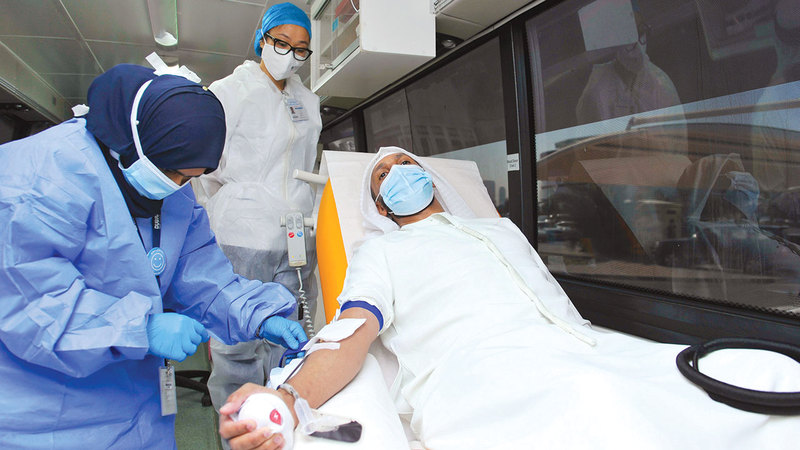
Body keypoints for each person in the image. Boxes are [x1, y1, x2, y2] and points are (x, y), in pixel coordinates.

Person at [219, 148, 800, 449]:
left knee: (755, 371)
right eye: (382, 177)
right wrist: (289, 395)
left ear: (427, 176)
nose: (397, 173)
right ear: (381, 206)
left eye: (405, 164)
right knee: (594, 403)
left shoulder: (499, 230)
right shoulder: (382, 252)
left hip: (584, 347)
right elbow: (350, 335)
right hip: (489, 370)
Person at [0, 64, 307, 449]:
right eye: (174, 174)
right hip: (47, 414)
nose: (177, 186)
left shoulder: (167, 182)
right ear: (138, 141)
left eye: (189, 178)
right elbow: (32, 305)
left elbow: (198, 273)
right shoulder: (39, 179)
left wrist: (256, 313)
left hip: (135, 404)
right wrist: (139, 329)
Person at [191, 2, 323, 415]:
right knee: (238, 341)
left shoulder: (308, 100)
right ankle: (239, 426)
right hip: (242, 233)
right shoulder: (229, 91)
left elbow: (306, 164)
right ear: (261, 40)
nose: (290, 54)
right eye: (281, 42)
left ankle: (279, 416)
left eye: (300, 48)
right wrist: (222, 213)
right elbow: (204, 170)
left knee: (290, 334)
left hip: (297, 233)